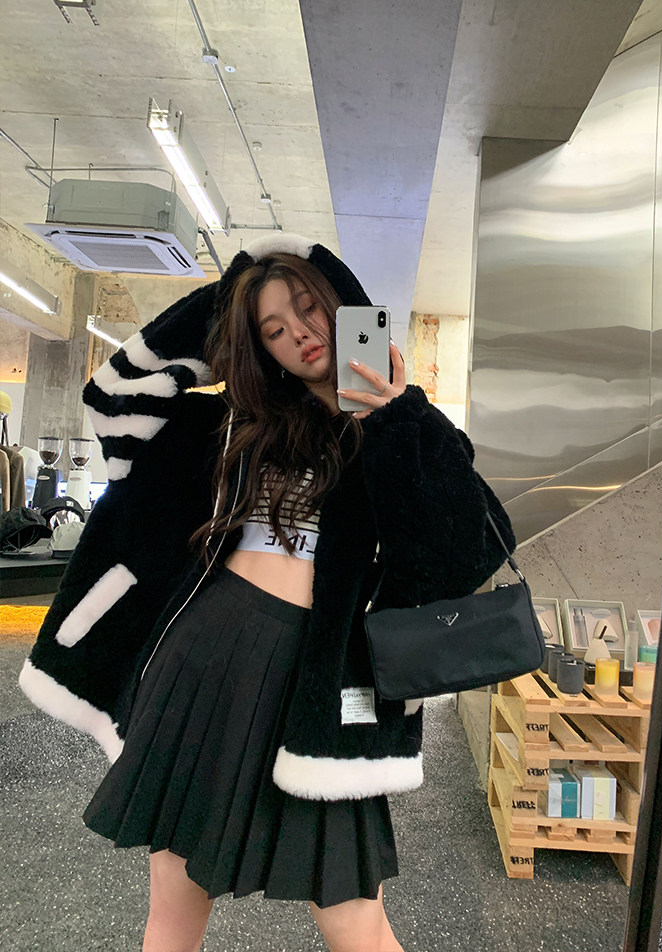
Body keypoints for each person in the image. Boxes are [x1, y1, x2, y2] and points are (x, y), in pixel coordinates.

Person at [19, 234, 515, 952]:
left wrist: (398, 415)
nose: (299, 335)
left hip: (321, 676)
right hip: (206, 654)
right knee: (175, 901)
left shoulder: (406, 426)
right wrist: (236, 294)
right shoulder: (231, 422)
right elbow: (115, 393)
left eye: (309, 308)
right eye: (273, 330)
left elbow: (459, 552)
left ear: (341, 304)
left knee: (351, 913)